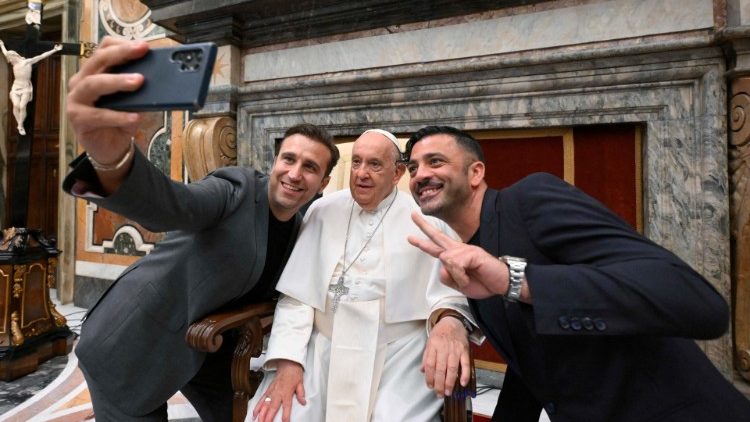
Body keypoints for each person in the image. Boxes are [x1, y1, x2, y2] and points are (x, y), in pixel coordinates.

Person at [63, 37, 339, 421]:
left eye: (310, 167)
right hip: (131, 341)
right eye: (288, 159)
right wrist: (112, 163)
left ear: (323, 183)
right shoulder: (236, 190)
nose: (294, 173)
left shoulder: (299, 227)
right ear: (274, 162)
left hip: (205, 349)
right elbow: (172, 206)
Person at [403, 125, 750, 421]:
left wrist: (517, 281)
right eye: (413, 168)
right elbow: (534, 364)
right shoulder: (471, 266)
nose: (420, 175)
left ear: (476, 173)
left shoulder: (529, 200)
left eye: (436, 161)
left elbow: (698, 303)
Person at [248, 129, 481, 422]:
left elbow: (451, 294)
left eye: (374, 164)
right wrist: (289, 361)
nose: (361, 173)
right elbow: (297, 297)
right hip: (322, 347)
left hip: (398, 353)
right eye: (356, 162)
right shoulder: (322, 210)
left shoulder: (428, 218)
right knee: (278, 415)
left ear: (397, 173)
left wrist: (449, 322)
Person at [0, 39, 62, 135]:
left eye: (11, 59)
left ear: (14, 56)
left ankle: (20, 125)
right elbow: (5, 53)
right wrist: (1, 45)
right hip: (16, 87)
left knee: (22, 106)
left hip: (26, 87)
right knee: (16, 105)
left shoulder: (27, 62)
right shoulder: (14, 63)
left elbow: (41, 56)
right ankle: (20, 125)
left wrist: (54, 50)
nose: (10, 61)